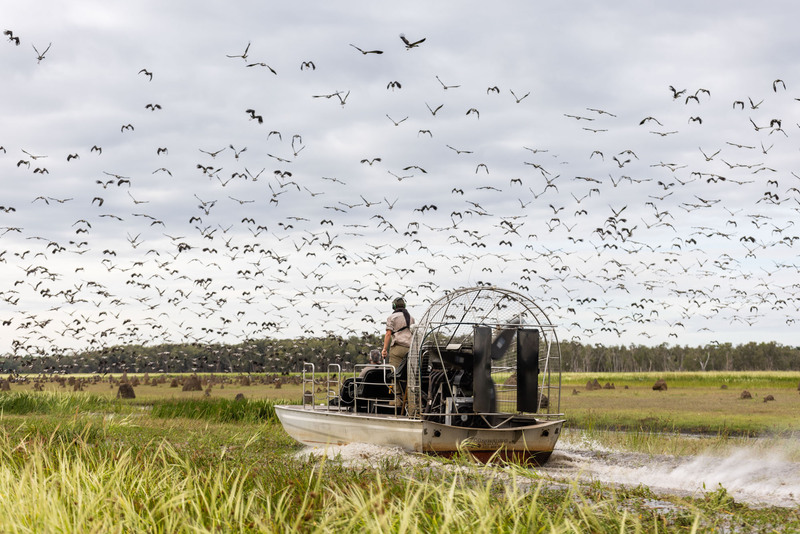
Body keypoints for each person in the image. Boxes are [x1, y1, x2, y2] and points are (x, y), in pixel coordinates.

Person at [382, 297, 414, 370]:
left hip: (397, 349)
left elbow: (388, 334)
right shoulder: (411, 318)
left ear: (394, 306)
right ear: (404, 306)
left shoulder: (391, 317)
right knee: (408, 374)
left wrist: (384, 349)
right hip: (410, 349)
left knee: (395, 374)